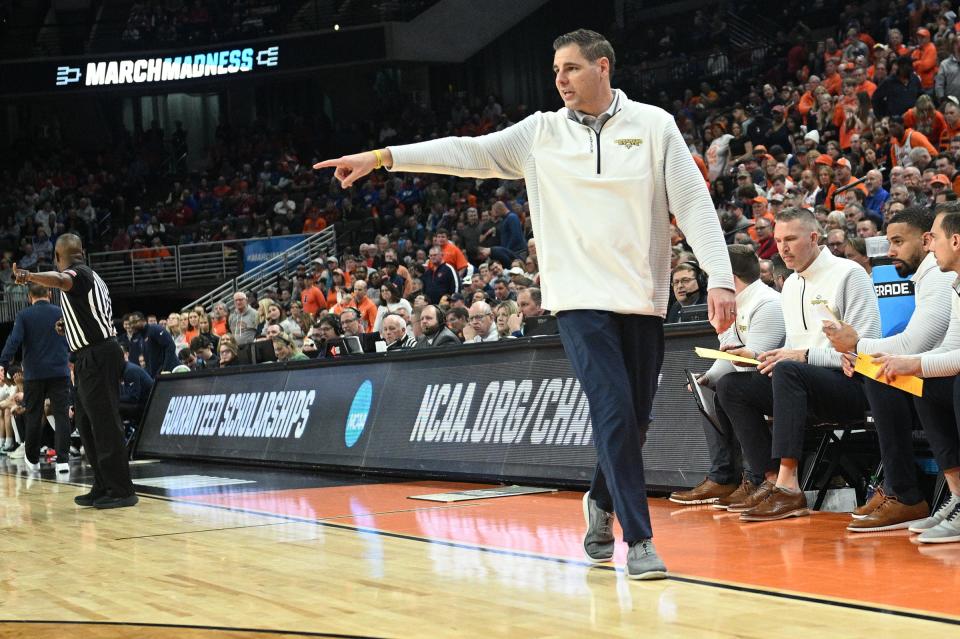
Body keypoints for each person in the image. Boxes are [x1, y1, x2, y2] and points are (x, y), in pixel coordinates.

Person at [314, 28, 735, 579]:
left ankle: (600, 500)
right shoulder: (540, 133)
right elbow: (467, 153)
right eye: (555, 70)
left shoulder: (654, 126)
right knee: (611, 408)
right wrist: (383, 156)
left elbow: (693, 203)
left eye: (571, 68)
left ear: (603, 67)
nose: (559, 79)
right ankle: (640, 539)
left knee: (634, 419)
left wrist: (720, 277)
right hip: (578, 300)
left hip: (642, 298)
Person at [715, 207, 879, 522]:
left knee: (790, 370)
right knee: (732, 387)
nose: (782, 248)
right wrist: (763, 357)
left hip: (851, 385)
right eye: (777, 240)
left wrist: (801, 357)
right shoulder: (790, 285)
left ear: (814, 237)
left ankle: (791, 488)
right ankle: (772, 479)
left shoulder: (849, 274)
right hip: (803, 384)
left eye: (790, 239)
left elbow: (863, 352)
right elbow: (793, 350)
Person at [824, 207, 954, 532]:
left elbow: (915, 345)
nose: (890, 251)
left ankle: (905, 494)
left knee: (885, 375)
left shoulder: (939, 276)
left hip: (948, 380)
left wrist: (857, 346)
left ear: (926, 241)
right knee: (885, 372)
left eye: (898, 241)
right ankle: (908, 492)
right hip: (945, 375)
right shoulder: (930, 277)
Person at [13, 234, 137, 509]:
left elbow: (59, 280)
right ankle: (103, 484)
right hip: (88, 356)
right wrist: (66, 325)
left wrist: (30, 275)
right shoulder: (89, 277)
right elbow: (89, 314)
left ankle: (121, 490)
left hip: (99, 356)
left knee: (104, 423)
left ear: (58, 257)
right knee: (84, 422)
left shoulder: (76, 275)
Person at [670, 245, 784, 507]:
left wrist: (724, 330)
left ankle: (758, 477)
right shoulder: (741, 302)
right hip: (756, 381)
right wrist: (707, 378)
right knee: (710, 388)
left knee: (732, 387)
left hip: (782, 383)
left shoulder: (768, 305)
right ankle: (724, 477)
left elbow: (750, 366)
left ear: (728, 278)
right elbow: (733, 356)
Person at [0, 282, 71, 473]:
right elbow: (72, 339)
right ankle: (63, 461)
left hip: (35, 374)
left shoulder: (24, 315)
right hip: (59, 371)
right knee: (61, 414)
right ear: (49, 293)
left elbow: (14, 340)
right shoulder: (61, 312)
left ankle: (32, 460)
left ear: (29, 297)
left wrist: (3, 363)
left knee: (33, 415)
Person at [127, 311, 178, 378]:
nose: (132, 325)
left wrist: (165, 369)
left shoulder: (154, 329)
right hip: (155, 375)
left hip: (168, 373)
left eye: (134, 322)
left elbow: (170, 346)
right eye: (130, 323)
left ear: (143, 320)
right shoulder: (141, 337)